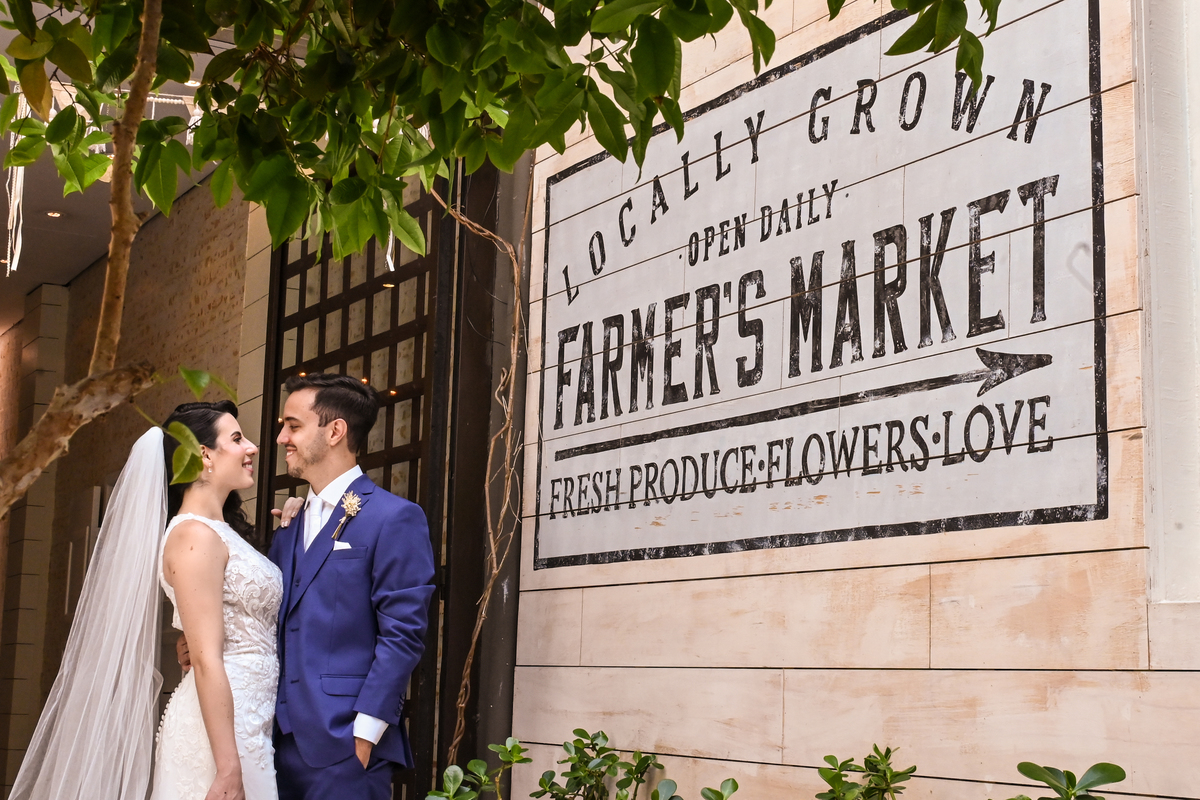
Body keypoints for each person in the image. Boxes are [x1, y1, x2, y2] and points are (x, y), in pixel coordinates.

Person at [9, 400, 299, 800]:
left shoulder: (223, 532)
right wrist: (228, 766)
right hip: (220, 736)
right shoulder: (193, 535)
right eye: (237, 439)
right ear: (203, 455)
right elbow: (205, 659)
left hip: (250, 721)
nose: (251, 447)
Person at [183, 374, 436, 799]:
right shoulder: (289, 525)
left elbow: (404, 633)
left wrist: (366, 732)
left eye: (293, 426)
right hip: (271, 743)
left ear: (335, 431)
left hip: (345, 745)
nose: (281, 437)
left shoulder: (395, 518)